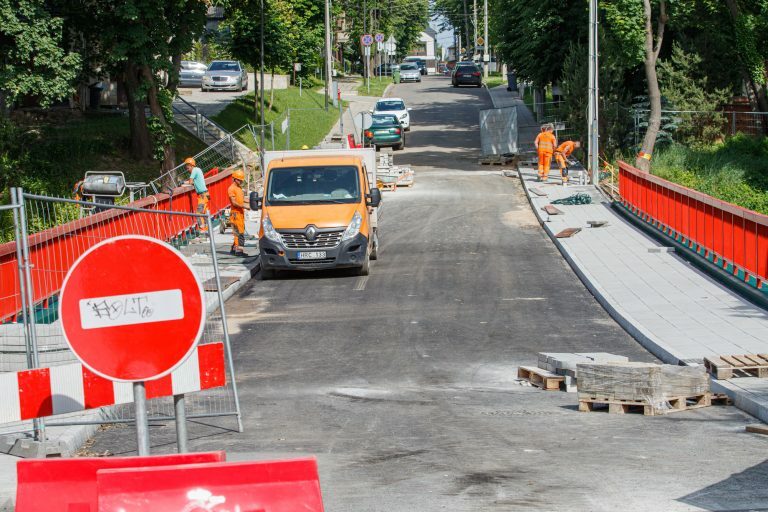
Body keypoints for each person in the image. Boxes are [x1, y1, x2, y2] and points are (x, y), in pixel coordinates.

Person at [228, 169, 250, 255]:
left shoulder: (239, 188)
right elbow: (234, 202)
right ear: (235, 179)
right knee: (239, 233)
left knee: (239, 231)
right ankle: (239, 251)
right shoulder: (231, 189)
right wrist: (245, 206)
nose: (241, 182)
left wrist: (250, 202)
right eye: (239, 180)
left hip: (240, 213)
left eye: (241, 180)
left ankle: (233, 249)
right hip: (235, 213)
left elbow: (242, 199)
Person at [184, 157, 209, 232]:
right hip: (206, 193)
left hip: (202, 195)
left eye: (187, 167)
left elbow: (191, 182)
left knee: (199, 213)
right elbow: (193, 181)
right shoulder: (198, 169)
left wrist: (183, 183)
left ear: (191, 165)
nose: (187, 169)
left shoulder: (194, 170)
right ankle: (207, 229)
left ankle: (202, 230)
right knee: (205, 212)